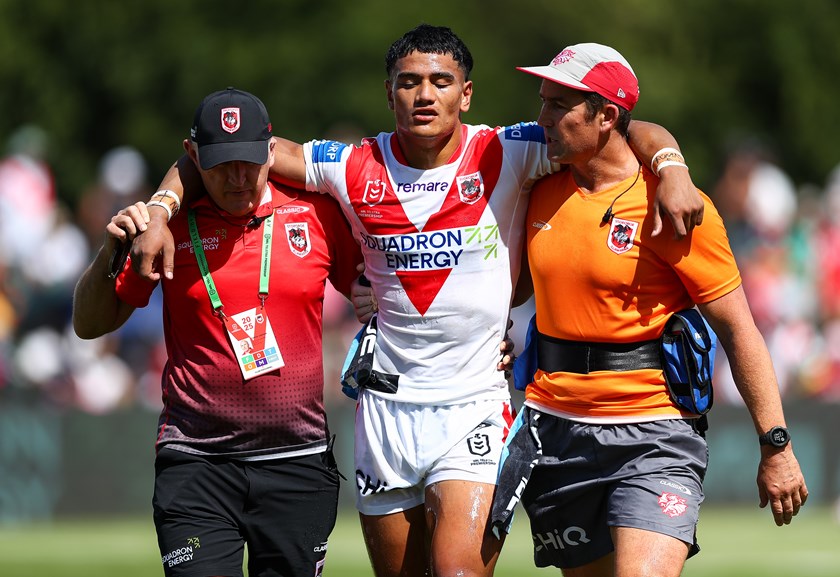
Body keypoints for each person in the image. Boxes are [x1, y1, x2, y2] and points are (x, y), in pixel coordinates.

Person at [129, 25, 704, 577]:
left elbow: (624, 128)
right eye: (408, 82)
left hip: (474, 403)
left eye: (440, 80)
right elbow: (224, 150)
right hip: (385, 412)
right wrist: (159, 210)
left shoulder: (507, 150)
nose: (424, 94)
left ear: (465, 93)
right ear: (389, 93)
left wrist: (671, 167)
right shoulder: (349, 165)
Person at [491, 43, 808, 577]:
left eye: (557, 106)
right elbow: (512, 290)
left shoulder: (676, 204)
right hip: (556, 428)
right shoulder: (539, 187)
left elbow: (739, 331)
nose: (539, 118)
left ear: (606, 116)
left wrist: (776, 445)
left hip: (655, 432)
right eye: (541, 101)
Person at [72, 88, 363, 577]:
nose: (236, 178)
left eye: (248, 162)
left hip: (297, 461)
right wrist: (110, 252)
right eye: (220, 164)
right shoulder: (165, 227)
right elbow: (90, 324)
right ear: (192, 156)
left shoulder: (315, 212)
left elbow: (380, 285)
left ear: (272, 151)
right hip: (196, 463)